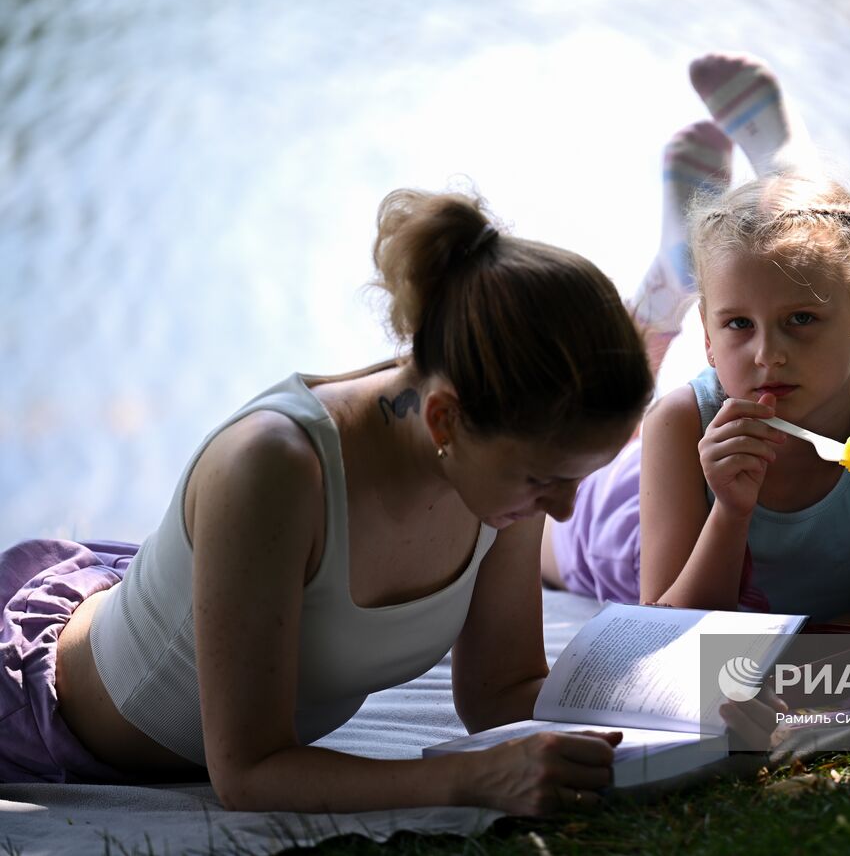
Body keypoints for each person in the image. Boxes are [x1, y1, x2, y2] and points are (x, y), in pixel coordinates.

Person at [0, 186, 656, 816]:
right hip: (42, 716)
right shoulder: (273, 466)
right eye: (546, 481)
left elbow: (499, 692)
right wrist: (471, 777)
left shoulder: (504, 472)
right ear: (445, 420)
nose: (564, 511)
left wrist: (670, 701)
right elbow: (249, 773)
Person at [543, 53, 850, 635]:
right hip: (624, 523)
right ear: (710, 343)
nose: (769, 355)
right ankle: (670, 290)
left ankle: (759, 206)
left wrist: (763, 664)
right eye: (738, 325)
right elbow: (664, 634)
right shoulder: (680, 426)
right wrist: (730, 512)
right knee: (572, 471)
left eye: (801, 319)